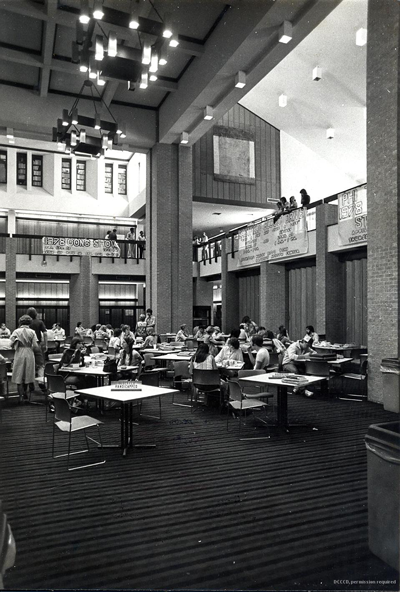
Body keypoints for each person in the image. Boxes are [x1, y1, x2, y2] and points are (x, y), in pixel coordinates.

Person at [10, 314, 37, 402]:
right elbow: (35, 346)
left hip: (19, 353)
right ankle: (26, 392)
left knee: (19, 373)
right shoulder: (32, 332)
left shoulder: (16, 331)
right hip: (29, 352)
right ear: (29, 322)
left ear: (20, 322)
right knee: (27, 373)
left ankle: (20, 396)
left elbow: (10, 344)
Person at [26, 307, 47, 384]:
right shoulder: (39, 322)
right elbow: (45, 333)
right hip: (37, 345)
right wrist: (46, 344)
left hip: (27, 346)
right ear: (36, 314)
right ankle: (41, 382)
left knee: (30, 365)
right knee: (41, 364)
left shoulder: (26, 323)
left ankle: (30, 383)